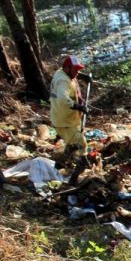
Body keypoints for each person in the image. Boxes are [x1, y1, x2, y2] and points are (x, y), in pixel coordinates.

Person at [50, 55, 89, 185]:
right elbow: (62, 98)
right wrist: (79, 106)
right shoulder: (62, 81)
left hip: (68, 118)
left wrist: (83, 77)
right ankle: (78, 171)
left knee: (71, 145)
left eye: (78, 70)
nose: (77, 72)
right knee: (80, 144)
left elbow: (73, 77)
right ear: (67, 68)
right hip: (64, 120)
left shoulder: (64, 73)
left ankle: (58, 166)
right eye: (75, 70)